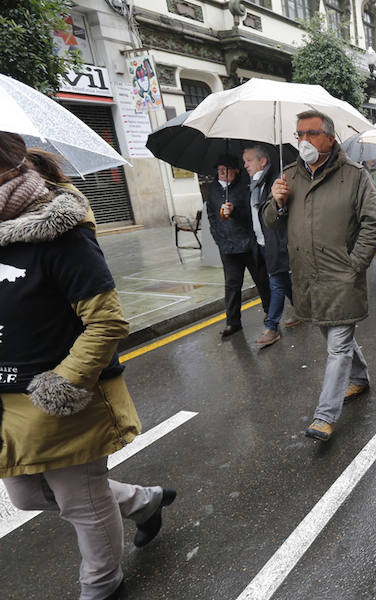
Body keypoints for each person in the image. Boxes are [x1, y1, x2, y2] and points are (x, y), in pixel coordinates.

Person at [0, 134, 176, 600]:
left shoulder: (61, 231)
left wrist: (64, 383)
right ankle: (143, 500)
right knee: (26, 495)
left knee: (81, 501)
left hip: (61, 396)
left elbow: (107, 320)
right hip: (6, 402)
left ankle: (101, 585)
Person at [263, 110, 376, 442]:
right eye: (298, 134)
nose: (303, 140)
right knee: (335, 334)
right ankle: (359, 378)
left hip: (341, 277)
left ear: (330, 139)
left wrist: (354, 264)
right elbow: (270, 222)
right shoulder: (288, 176)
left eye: (311, 133)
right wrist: (277, 202)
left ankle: (325, 416)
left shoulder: (354, 176)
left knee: (337, 345)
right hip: (306, 279)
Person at [206, 154, 271, 337]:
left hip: (248, 243)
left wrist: (235, 212)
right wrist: (218, 238)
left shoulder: (246, 187)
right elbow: (211, 215)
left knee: (261, 280)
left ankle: (269, 312)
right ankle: (233, 322)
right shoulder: (212, 190)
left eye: (225, 170)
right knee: (232, 286)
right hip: (227, 246)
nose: (221, 173)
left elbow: (252, 215)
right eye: (219, 170)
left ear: (236, 171)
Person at [243, 146, 299, 347]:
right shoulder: (253, 184)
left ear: (263, 161)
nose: (245, 165)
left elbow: (281, 213)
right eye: (245, 161)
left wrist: (280, 200)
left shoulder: (274, 181)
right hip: (261, 243)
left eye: (249, 160)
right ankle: (301, 309)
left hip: (276, 242)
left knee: (276, 281)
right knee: (283, 280)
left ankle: (272, 326)